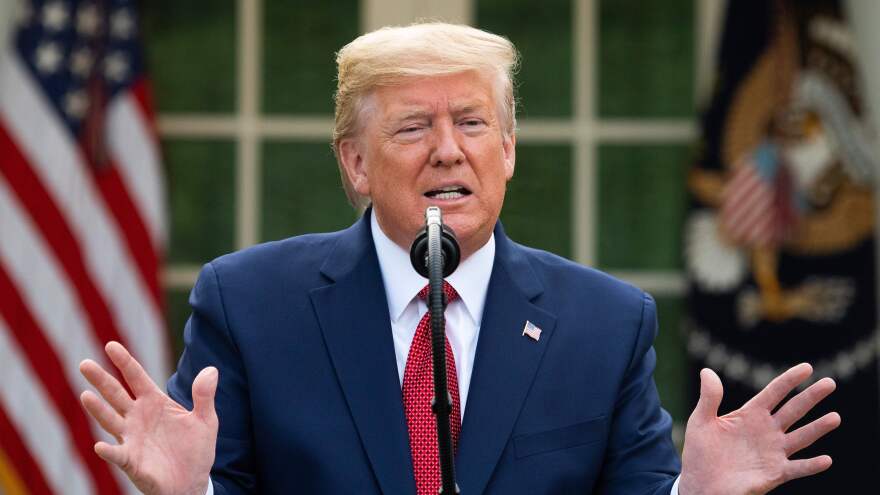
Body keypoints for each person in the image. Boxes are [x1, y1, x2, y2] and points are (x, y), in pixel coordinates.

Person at [78, 23, 840, 495]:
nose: (449, 148)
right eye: (413, 127)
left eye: (473, 122)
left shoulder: (604, 324)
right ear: (354, 163)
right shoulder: (249, 304)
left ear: (506, 150)